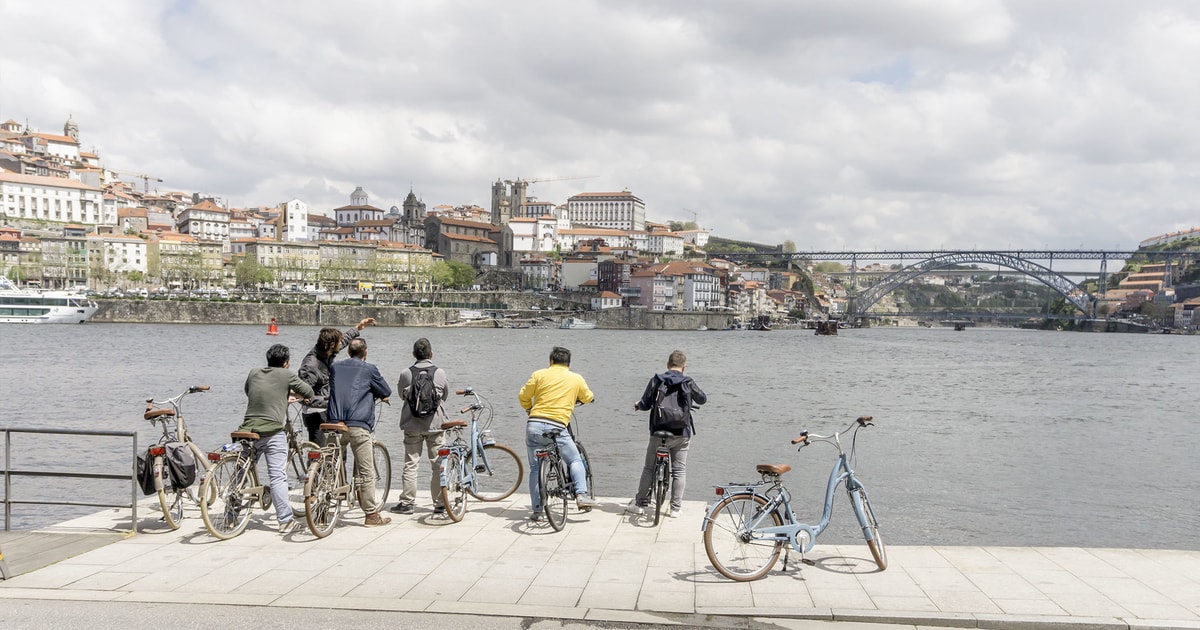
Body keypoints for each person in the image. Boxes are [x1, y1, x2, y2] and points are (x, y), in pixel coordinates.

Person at [237, 343, 314, 535]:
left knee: (241, 472)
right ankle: (285, 521)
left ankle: (230, 517)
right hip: (272, 430)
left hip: (247, 429)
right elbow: (309, 392)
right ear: (286, 363)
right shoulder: (287, 375)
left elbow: (249, 391)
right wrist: (290, 393)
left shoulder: (254, 372)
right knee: (278, 475)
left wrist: (280, 394)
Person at [519, 346, 597, 521]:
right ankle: (581, 495)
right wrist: (589, 399)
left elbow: (523, 395)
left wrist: (529, 408)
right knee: (574, 459)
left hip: (534, 425)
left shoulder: (538, 375)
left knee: (535, 468)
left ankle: (537, 510)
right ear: (568, 363)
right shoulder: (576, 378)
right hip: (557, 426)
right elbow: (587, 396)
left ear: (551, 361)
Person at [630, 350, 707, 518]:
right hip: (681, 433)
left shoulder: (657, 380)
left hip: (658, 432)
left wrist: (638, 405)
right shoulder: (688, 381)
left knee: (649, 467)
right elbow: (702, 399)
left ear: (667, 365)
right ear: (684, 367)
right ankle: (675, 509)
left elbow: (645, 403)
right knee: (679, 470)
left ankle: (640, 504)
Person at [327, 337, 393, 527]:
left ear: (348, 352)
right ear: (366, 352)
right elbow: (386, 390)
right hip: (358, 424)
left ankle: (323, 507)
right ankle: (371, 515)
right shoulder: (369, 369)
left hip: (334, 424)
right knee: (366, 471)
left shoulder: (335, 367)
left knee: (330, 466)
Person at [390, 337, 450, 516]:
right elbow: (444, 395)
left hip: (412, 425)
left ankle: (407, 503)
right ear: (431, 354)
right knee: (437, 464)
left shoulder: (405, 373)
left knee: (411, 464)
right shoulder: (439, 372)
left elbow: (402, 395)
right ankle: (440, 504)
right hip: (435, 425)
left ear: (413, 354)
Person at [298, 318, 375, 446]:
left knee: (337, 449)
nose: (342, 344)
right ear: (331, 345)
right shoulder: (311, 365)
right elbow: (303, 396)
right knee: (320, 451)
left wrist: (358, 327)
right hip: (315, 413)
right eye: (339, 342)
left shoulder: (327, 352)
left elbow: (344, 340)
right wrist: (329, 401)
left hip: (328, 410)